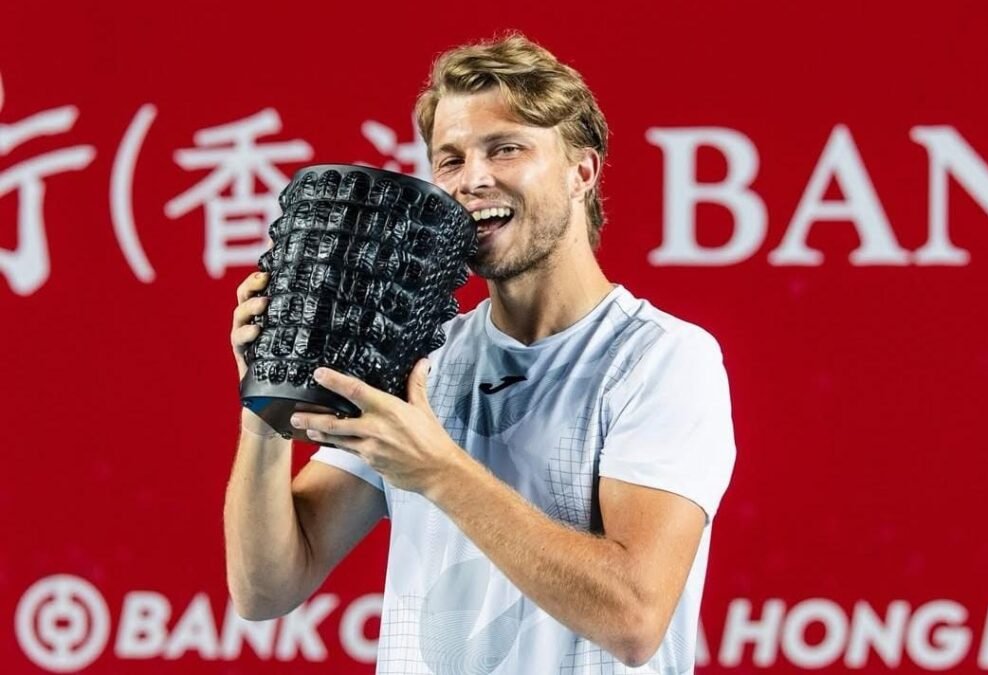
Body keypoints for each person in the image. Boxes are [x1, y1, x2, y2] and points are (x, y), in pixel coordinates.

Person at [224, 33, 736, 675]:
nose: (473, 180)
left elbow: (632, 620)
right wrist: (267, 401)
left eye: (506, 149)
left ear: (584, 171)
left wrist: (437, 470)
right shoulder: (417, 359)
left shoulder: (661, 360)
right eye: (450, 159)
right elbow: (266, 589)